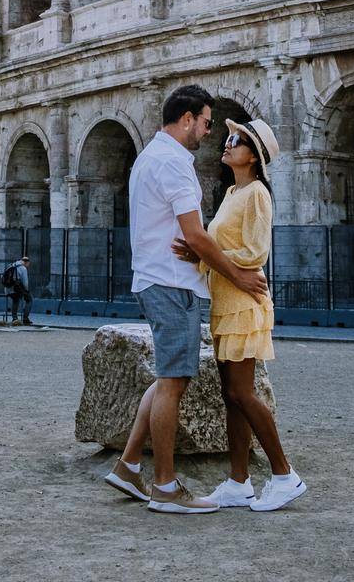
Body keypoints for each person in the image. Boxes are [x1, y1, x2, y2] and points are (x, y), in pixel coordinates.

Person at [104, 85, 268, 516]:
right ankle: (165, 486)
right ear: (187, 118)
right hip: (172, 282)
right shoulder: (175, 164)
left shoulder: (148, 157)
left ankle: (128, 466)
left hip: (154, 277)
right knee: (174, 382)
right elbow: (194, 235)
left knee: (165, 378)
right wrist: (237, 275)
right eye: (207, 122)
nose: (209, 131)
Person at [172, 116, 307, 514]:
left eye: (236, 140)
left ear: (253, 156)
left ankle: (284, 475)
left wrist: (205, 255)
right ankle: (238, 481)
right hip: (226, 301)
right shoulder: (233, 192)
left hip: (245, 301)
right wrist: (201, 256)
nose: (226, 143)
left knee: (242, 393)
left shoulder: (257, 194)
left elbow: (255, 253)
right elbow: (222, 251)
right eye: (229, 138)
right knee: (230, 396)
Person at [4, 255, 33, 325]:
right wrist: (26, 291)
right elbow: (25, 282)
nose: (28, 266)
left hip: (8, 288)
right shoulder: (23, 268)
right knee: (29, 300)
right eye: (28, 264)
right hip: (16, 288)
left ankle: (15, 318)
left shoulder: (11, 265)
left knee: (15, 301)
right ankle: (25, 319)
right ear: (26, 262)